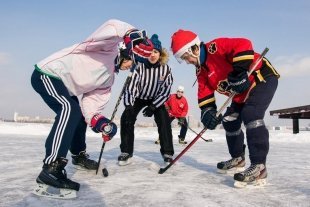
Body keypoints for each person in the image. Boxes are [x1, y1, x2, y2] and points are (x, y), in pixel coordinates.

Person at [31, 19, 153, 198]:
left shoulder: (108, 80)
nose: (130, 67)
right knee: (68, 109)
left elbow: (90, 107)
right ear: (126, 53)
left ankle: (79, 156)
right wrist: (132, 35)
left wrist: (102, 123)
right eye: (131, 62)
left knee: (78, 114)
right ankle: (51, 168)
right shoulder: (107, 48)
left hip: (65, 87)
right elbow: (112, 25)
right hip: (48, 73)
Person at [170, 29, 280, 187]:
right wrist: (208, 112)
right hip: (240, 94)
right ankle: (238, 158)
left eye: (186, 57)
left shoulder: (215, 47)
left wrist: (239, 71)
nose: (187, 61)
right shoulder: (200, 71)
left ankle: (259, 166)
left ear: (194, 48)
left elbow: (243, 43)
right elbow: (204, 93)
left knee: (251, 114)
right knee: (229, 120)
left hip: (261, 78)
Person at [118, 34, 174, 166]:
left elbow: (166, 91)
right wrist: (128, 106)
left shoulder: (166, 69)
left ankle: (167, 153)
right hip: (139, 97)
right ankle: (126, 152)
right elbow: (131, 88)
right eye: (150, 51)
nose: (153, 54)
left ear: (160, 54)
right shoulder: (139, 67)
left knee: (164, 120)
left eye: (156, 51)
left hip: (156, 99)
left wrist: (154, 107)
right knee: (126, 117)